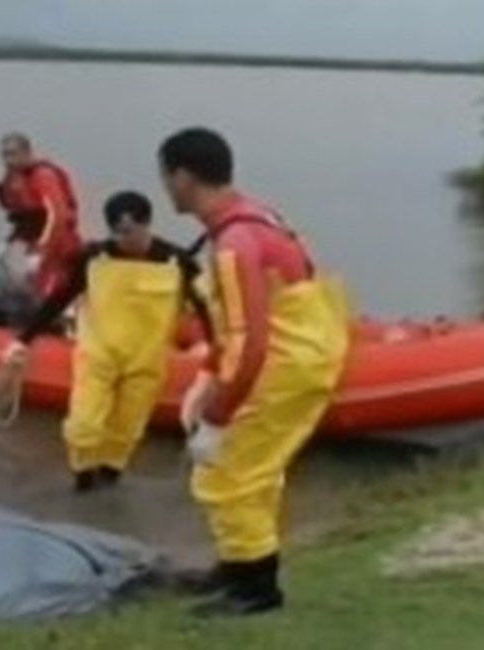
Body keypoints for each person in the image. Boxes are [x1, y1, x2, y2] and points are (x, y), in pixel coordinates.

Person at [160, 127, 348, 618]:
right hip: (304, 355)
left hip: (284, 364)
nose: (165, 187)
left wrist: (218, 417)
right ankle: (239, 566)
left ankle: (256, 592)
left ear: (182, 176)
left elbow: (251, 342)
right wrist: (206, 374)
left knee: (227, 474)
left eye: (166, 176)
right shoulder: (258, 217)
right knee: (256, 471)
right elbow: (236, 323)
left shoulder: (233, 244)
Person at [2, 191, 212, 493]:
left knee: (126, 429)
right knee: (82, 427)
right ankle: (83, 480)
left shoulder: (178, 262)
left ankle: (111, 478)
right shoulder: (92, 258)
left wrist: (216, 351)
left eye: (131, 231)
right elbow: (60, 298)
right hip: (98, 355)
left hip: (146, 360)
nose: (124, 240)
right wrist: (22, 341)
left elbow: (206, 310)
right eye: (118, 232)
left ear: (147, 223)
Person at [0, 132, 82, 298]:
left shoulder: (43, 176)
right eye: (4, 155)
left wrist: (43, 249)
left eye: (12, 154)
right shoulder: (13, 180)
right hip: (28, 238)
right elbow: (19, 215)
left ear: (26, 153)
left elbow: (58, 215)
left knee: (49, 290)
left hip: (57, 244)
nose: (8, 161)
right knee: (6, 274)